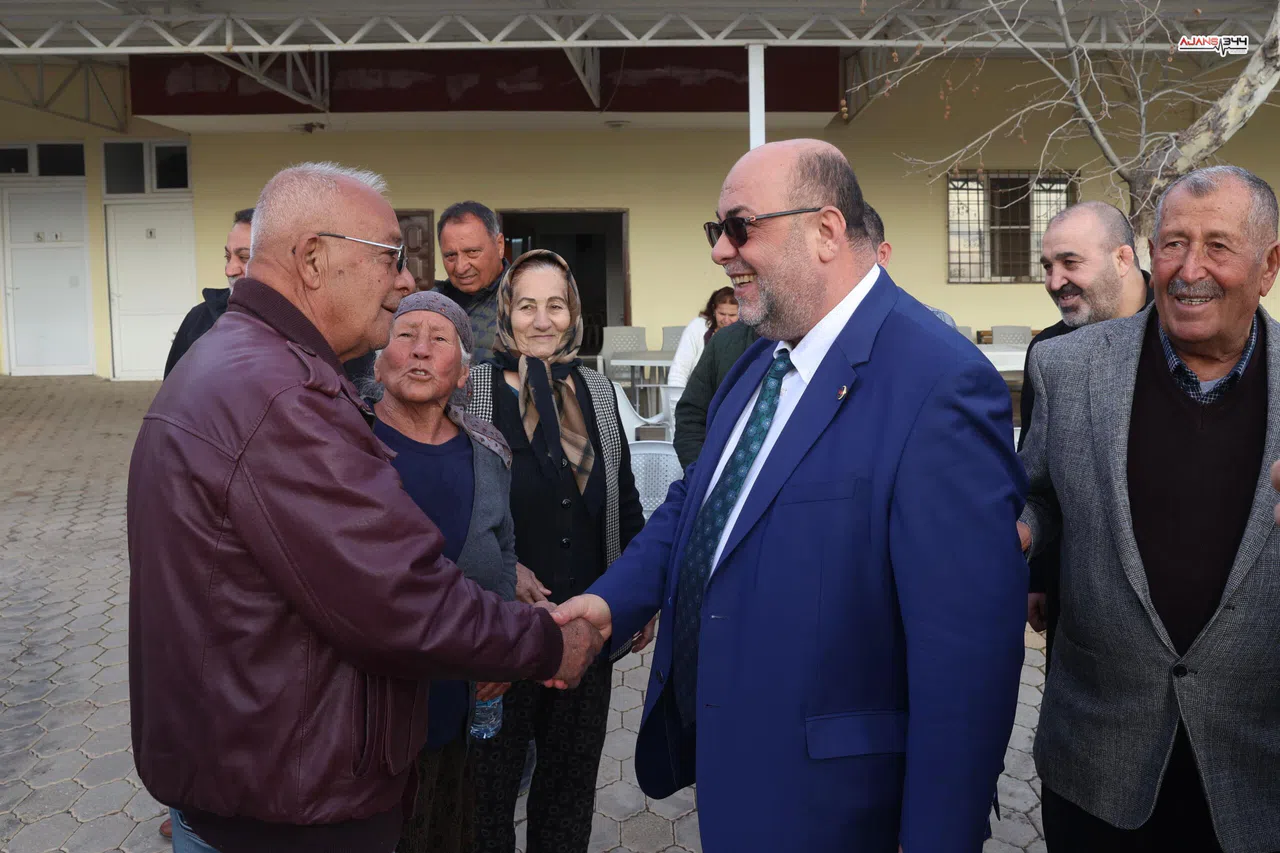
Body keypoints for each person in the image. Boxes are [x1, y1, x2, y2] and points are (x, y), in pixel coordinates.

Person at [552, 140, 1028, 852]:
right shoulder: (757, 363)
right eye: (717, 231)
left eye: (740, 227)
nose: (721, 252)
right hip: (734, 774)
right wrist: (606, 605)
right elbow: (698, 505)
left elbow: (967, 663)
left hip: (842, 809)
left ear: (827, 231)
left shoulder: (939, 383)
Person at [128, 162, 603, 853]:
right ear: (314, 258)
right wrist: (555, 642)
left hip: (253, 781)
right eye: (392, 256)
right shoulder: (282, 399)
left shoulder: (239, 364)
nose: (407, 281)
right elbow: (402, 598)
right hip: (290, 811)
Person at [1017, 165, 1280, 852]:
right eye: (1172, 244)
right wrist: (1020, 530)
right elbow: (1040, 493)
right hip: (1099, 763)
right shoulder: (1068, 369)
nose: (1189, 269)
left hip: (1259, 770)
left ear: (1268, 265)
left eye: (1218, 246)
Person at [466, 249, 648, 853]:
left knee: (569, 789)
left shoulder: (595, 389)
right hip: (502, 627)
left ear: (573, 314)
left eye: (555, 305)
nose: (541, 321)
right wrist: (500, 565)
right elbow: (453, 500)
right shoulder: (475, 388)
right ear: (505, 313)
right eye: (526, 306)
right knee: (487, 793)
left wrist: (636, 591)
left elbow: (620, 491)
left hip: (585, 622)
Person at [364, 290, 521, 853]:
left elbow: (503, 551)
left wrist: (502, 639)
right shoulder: (347, 443)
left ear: (463, 372)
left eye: (439, 339)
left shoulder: (489, 450)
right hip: (368, 708)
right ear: (379, 359)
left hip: (458, 697)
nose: (420, 351)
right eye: (405, 336)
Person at [1019, 200, 1151, 664]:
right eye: (1048, 266)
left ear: (1123, 257)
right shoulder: (1050, 350)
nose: (1056, 282)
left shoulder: (1181, 331)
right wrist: (1037, 578)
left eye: (1070, 263)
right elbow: (1037, 483)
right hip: (1080, 609)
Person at [163, 208, 252, 378]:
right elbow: (171, 395)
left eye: (244, 257)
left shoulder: (308, 325)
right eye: (227, 257)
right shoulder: (199, 319)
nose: (229, 270)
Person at [433, 201, 510, 363]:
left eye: (472, 252)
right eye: (450, 256)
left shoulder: (525, 301)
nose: (460, 268)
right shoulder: (432, 303)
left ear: (499, 245)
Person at [668, 287, 740, 387]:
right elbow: (679, 370)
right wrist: (676, 401)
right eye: (722, 314)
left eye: (732, 315)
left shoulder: (746, 334)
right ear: (714, 309)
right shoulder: (697, 327)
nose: (726, 320)